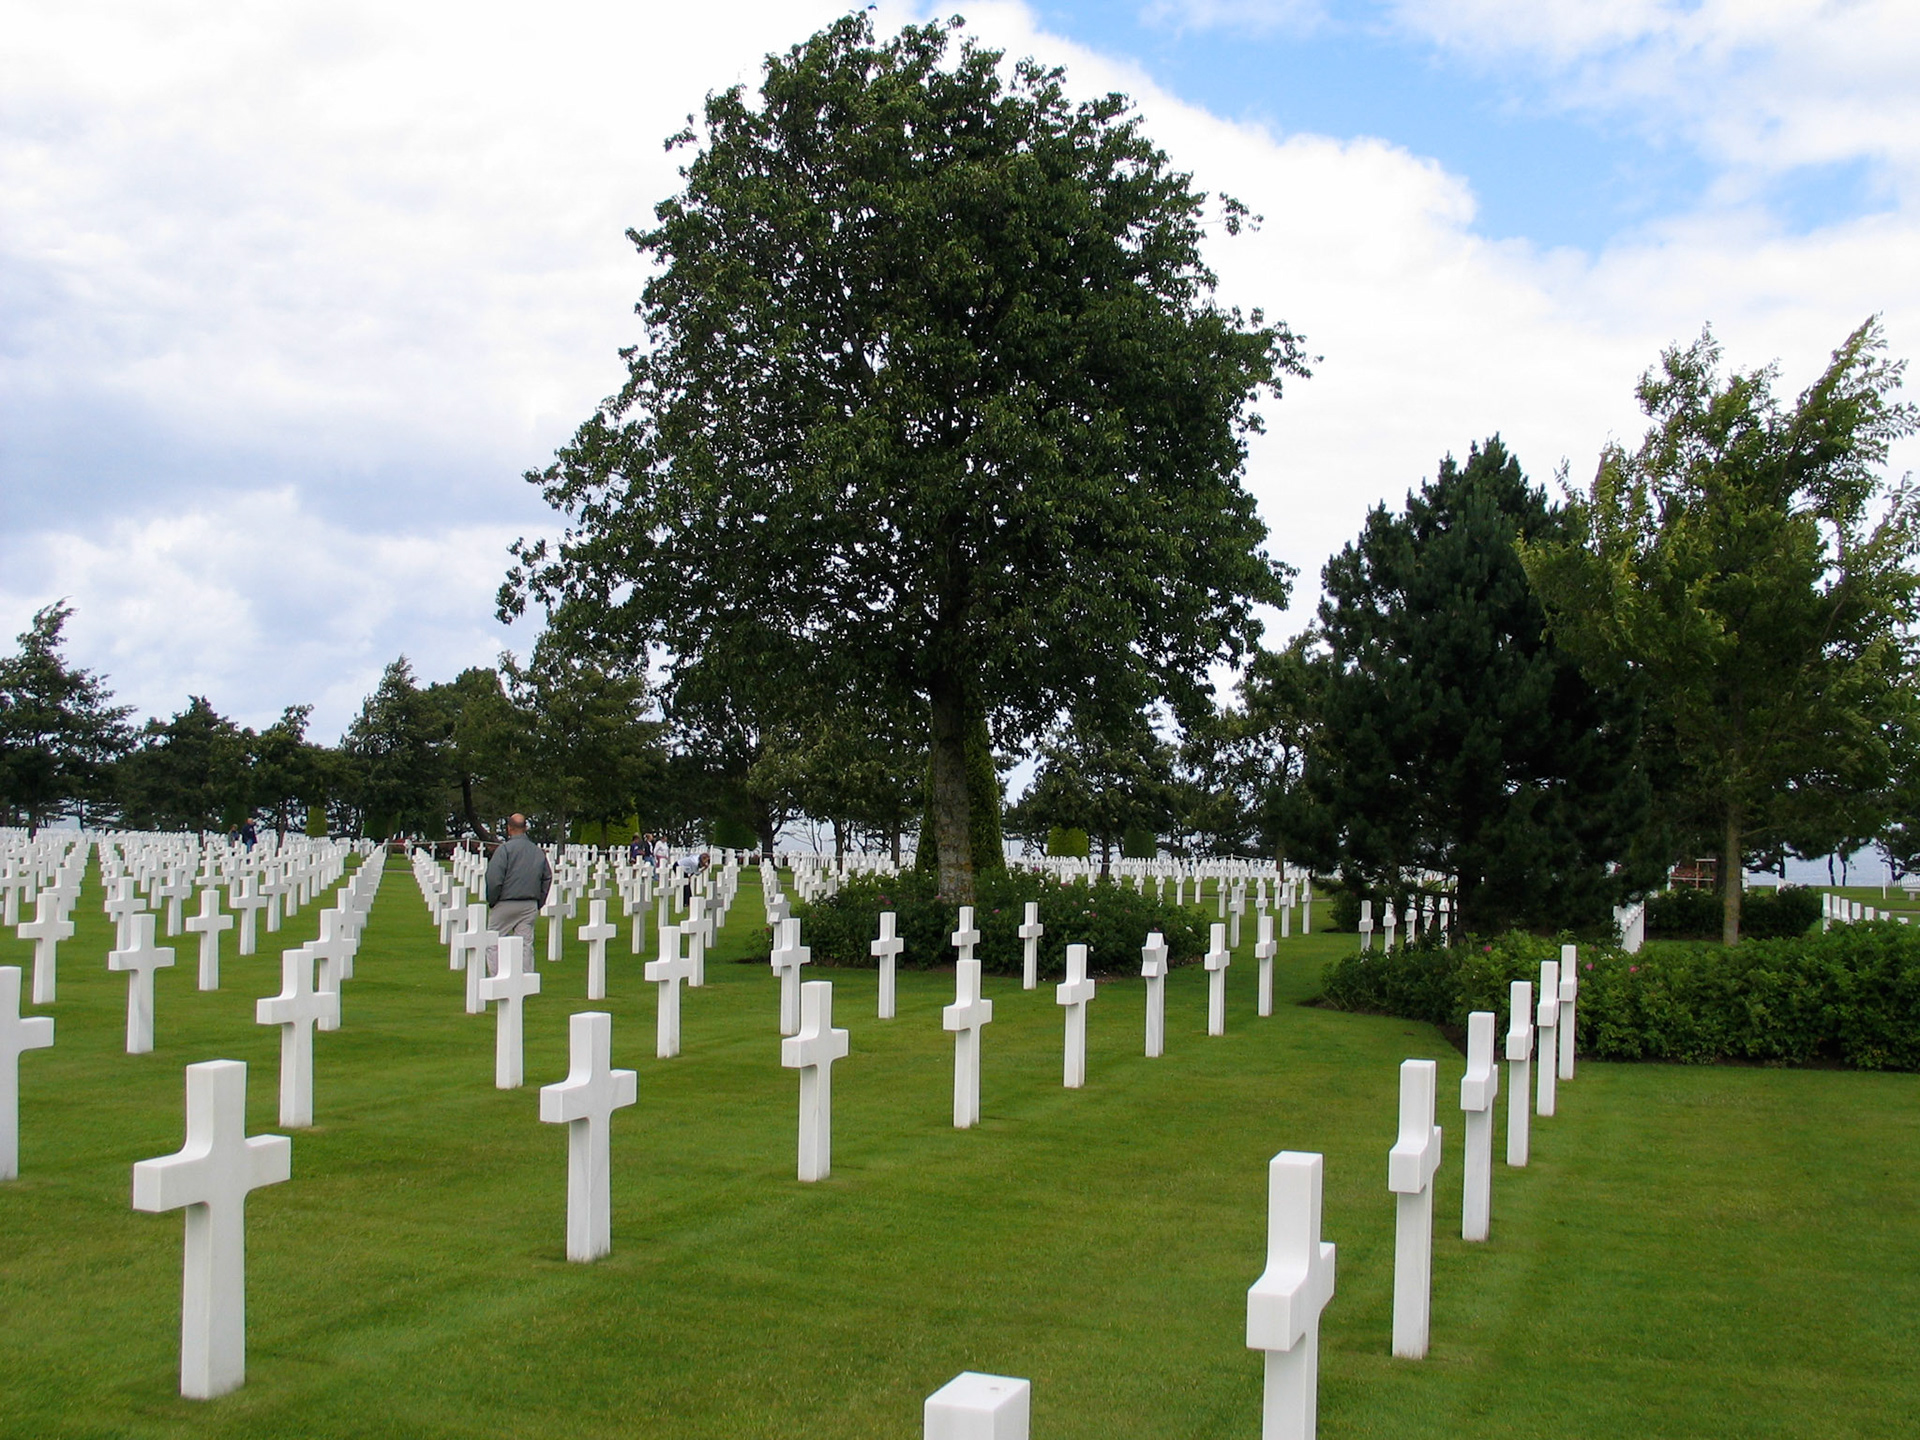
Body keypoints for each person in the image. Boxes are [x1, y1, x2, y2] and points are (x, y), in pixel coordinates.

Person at [485, 813, 551, 970]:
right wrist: (538, 903)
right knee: (525, 945)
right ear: (526, 828)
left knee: (493, 941)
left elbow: (494, 878)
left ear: (509, 829)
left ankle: (496, 980)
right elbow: (546, 878)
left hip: (506, 903)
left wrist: (493, 901)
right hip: (529, 904)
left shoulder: (504, 850)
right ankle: (525, 983)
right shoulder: (537, 851)